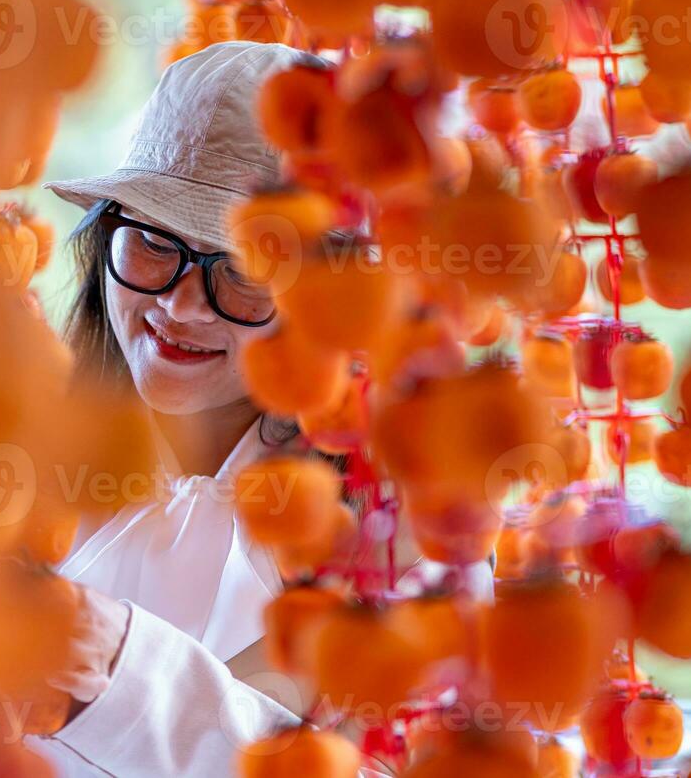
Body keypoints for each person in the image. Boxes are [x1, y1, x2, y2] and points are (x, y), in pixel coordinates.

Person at [31, 41, 488, 777]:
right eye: (154, 243)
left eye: (244, 272)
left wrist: (114, 670)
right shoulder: (12, 457)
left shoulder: (393, 533)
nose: (180, 306)